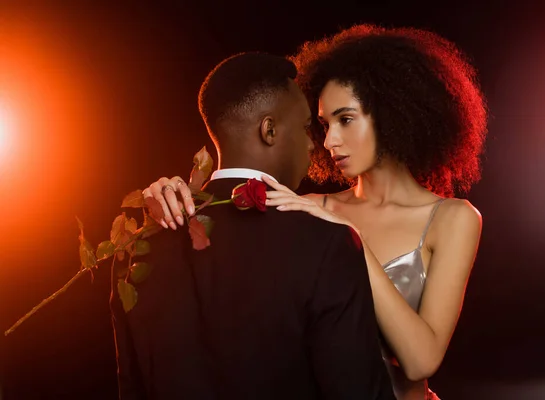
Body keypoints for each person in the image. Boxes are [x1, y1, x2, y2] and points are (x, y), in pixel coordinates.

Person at [147, 25, 487, 400]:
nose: (328, 141)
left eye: (345, 119)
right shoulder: (307, 207)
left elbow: (421, 360)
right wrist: (172, 195)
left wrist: (348, 235)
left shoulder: (454, 219)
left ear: (392, 113)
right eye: (323, 125)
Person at [112, 52, 395, 400]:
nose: (314, 144)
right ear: (270, 130)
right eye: (306, 128)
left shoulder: (135, 252)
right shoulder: (326, 242)